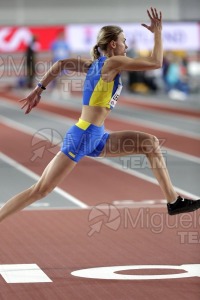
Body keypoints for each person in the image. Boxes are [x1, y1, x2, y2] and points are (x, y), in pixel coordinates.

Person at [0, 7, 199, 223]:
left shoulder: (94, 64)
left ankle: (173, 202)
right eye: (124, 41)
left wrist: (39, 89)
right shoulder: (113, 62)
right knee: (40, 190)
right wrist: (158, 32)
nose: (127, 45)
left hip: (97, 137)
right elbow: (155, 62)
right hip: (84, 135)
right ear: (113, 44)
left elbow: (61, 64)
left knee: (149, 143)